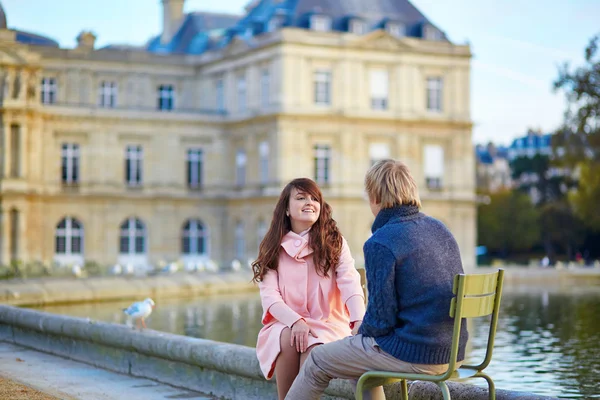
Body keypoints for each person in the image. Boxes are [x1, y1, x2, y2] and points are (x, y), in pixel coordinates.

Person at [285, 160, 468, 400]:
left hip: (417, 354)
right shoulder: (439, 228)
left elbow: (381, 320)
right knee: (354, 357)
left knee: (318, 360)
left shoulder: (381, 242)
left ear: (375, 197)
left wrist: (361, 332)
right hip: (454, 352)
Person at [252, 178, 366, 400]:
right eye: (301, 197)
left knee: (313, 348)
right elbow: (270, 298)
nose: (309, 202)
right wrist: (296, 322)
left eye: (315, 199)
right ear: (286, 208)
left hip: (327, 324)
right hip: (286, 323)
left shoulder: (335, 242)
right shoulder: (272, 247)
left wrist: (358, 321)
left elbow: (350, 283)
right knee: (286, 338)